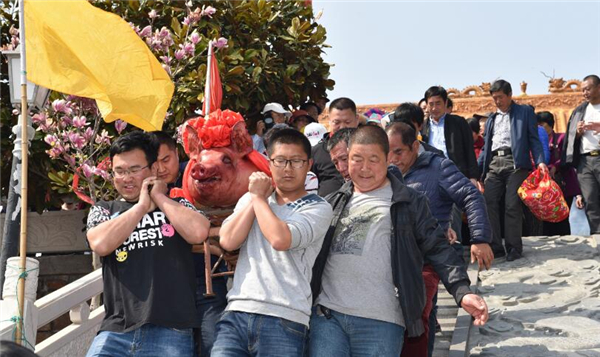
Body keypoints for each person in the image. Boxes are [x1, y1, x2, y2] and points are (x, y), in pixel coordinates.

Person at [309, 125, 488, 357]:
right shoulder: (333, 202)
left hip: (381, 320)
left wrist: (462, 290)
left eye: (373, 159)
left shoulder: (409, 201)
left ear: (387, 159)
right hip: (328, 317)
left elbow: (437, 247)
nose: (364, 168)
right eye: (356, 159)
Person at [86, 131, 210, 357]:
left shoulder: (177, 204)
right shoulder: (104, 209)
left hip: (172, 330)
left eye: (134, 170)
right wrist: (141, 206)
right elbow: (101, 244)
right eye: (120, 171)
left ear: (153, 170)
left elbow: (199, 232)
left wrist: (160, 198)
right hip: (116, 330)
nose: (126, 178)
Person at [212, 129, 333, 357]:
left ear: (309, 164)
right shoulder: (251, 198)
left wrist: (258, 198)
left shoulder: (318, 206)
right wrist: (256, 198)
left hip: (285, 317)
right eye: (280, 161)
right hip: (237, 311)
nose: (287, 169)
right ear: (269, 161)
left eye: (295, 161)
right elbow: (228, 240)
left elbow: (280, 239)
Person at [387, 122, 493, 357]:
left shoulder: (438, 167)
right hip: (392, 262)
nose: (392, 158)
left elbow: (470, 195)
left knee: (416, 320)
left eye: (398, 152)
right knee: (425, 320)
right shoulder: (381, 172)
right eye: (388, 152)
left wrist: (479, 238)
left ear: (415, 146)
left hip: (427, 260)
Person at [478, 79, 548, 261]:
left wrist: (540, 161)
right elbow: (486, 148)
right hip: (494, 163)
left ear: (510, 95)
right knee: (488, 201)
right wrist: (476, 171)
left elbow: (534, 139)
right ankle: (495, 246)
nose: (498, 101)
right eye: (494, 98)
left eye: (500, 97)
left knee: (511, 205)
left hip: (515, 163)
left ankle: (513, 247)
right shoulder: (492, 119)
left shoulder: (524, 112)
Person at [562, 74, 600, 235]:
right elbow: (571, 138)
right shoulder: (580, 111)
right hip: (585, 161)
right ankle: (597, 238)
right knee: (590, 201)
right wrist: (577, 132)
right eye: (583, 90)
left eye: (588, 89)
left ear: (598, 88)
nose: (585, 93)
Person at [537, 111, 582, 236]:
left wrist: (554, 167)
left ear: (551, 125)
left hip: (562, 184)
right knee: (546, 218)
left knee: (562, 216)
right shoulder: (536, 142)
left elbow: (566, 157)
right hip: (544, 187)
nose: (540, 128)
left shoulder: (562, 138)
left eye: (543, 125)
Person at [311, 97, 359, 196]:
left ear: (357, 119)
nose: (342, 127)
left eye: (347, 122)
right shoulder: (316, 152)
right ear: (329, 121)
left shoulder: (369, 145)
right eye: (336, 122)